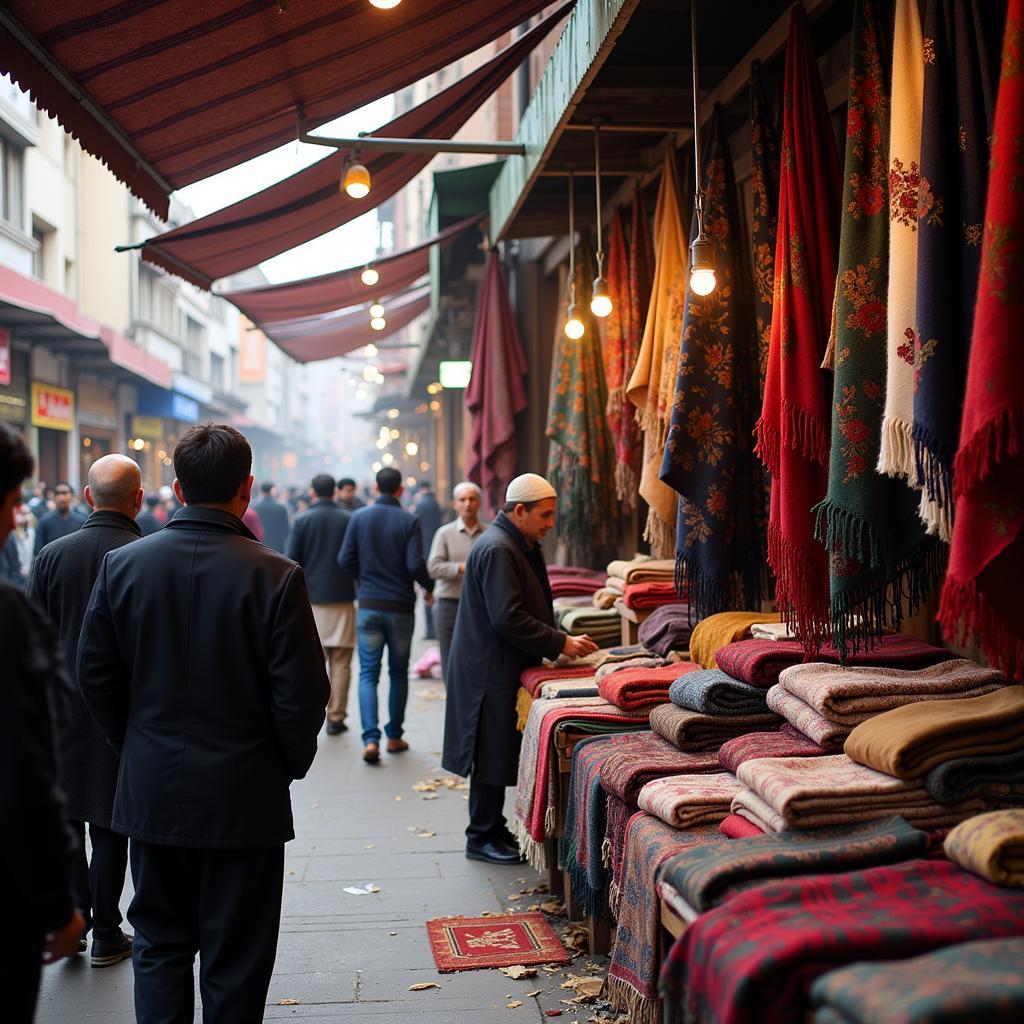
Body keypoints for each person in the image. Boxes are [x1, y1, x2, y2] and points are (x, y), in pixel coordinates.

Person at [77, 423, 329, 1024]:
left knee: (160, 945)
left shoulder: (122, 566)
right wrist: (282, 765)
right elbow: (303, 694)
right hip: (245, 798)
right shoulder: (276, 575)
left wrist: (135, 745)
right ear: (246, 487)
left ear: (176, 487)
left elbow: (95, 675)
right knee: (236, 957)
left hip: (153, 791)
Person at [442, 473, 598, 865]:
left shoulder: (514, 542)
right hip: (488, 666)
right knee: (490, 751)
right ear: (520, 510)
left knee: (495, 749)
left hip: (498, 661)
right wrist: (559, 642)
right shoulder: (498, 548)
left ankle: (491, 828)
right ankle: (480, 835)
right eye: (544, 515)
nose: (550, 523)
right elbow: (508, 617)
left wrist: (555, 640)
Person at [28, 454, 144, 970]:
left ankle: (74, 920)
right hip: (124, 713)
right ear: (137, 499)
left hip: (61, 712)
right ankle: (106, 929)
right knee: (112, 824)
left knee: (71, 818)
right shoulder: (144, 555)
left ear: (88, 496)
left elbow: (34, 637)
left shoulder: (52, 555)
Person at [0, 422, 85, 1019]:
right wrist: (59, 901)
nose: (13, 522)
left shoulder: (40, 568)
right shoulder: (5, 618)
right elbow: (24, 772)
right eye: (10, 503)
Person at [339, 466, 434, 763]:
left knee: (367, 673)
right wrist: (428, 587)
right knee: (397, 673)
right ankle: (394, 736)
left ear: (376, 489)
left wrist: (363, 581)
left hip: (368, 605)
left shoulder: (358, 517)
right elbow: (415, 564)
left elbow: (345, 558)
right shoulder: (409, 519)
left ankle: (370, 740)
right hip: (401, 607)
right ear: (400, 490)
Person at [287, 474, 356, 735]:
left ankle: (311, 716)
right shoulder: (348, 519)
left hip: (312, 600)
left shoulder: (302, 520)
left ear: (313, 492)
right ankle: (336, 717)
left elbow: (291, 560)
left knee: (313, 663)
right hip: (344, 597)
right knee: (342, 662)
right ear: (334, 492)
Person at [427, 481, 488, 683]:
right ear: (455, 504)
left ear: (479, 502)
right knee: (450, 658)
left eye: (472, 499)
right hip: (448, 605)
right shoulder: (444, 533)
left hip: (480, 606)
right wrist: (462, 568)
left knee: (478, 656)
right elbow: (433, 567)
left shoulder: (489, 534)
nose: (468, 504)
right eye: (463, 500)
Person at [412, 482, 443, 640]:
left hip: (425, 552)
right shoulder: (436, 504)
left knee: (428, 592)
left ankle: (431, 630)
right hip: (435, 549)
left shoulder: (421, 505)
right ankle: (434, 629)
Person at [34, 479, 87, 556]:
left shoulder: (81, 521)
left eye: (64, 493)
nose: (61, 497)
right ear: (54, 497)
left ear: (71, 496)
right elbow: (38, 552)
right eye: (57, 493)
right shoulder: (45, 521)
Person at [254, 480, 290, 553]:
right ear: (272, 490)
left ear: (261, 491)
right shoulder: (281, 508)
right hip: (277, 546)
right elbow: (286, 530)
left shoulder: (255, 507)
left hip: (260, 545)